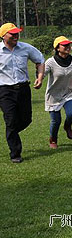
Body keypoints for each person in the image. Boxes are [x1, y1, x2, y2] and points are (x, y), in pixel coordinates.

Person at [0, 23, 44, 163]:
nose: (16, 36)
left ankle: (11, 133)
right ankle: (15, 153)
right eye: (12, 34)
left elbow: (40, 60)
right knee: (11, 120)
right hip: (5, 90)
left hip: (24, 88)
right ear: (3, 35)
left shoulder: (25, 48)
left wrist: (40, 77)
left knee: (26, 119)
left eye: (17, 33)